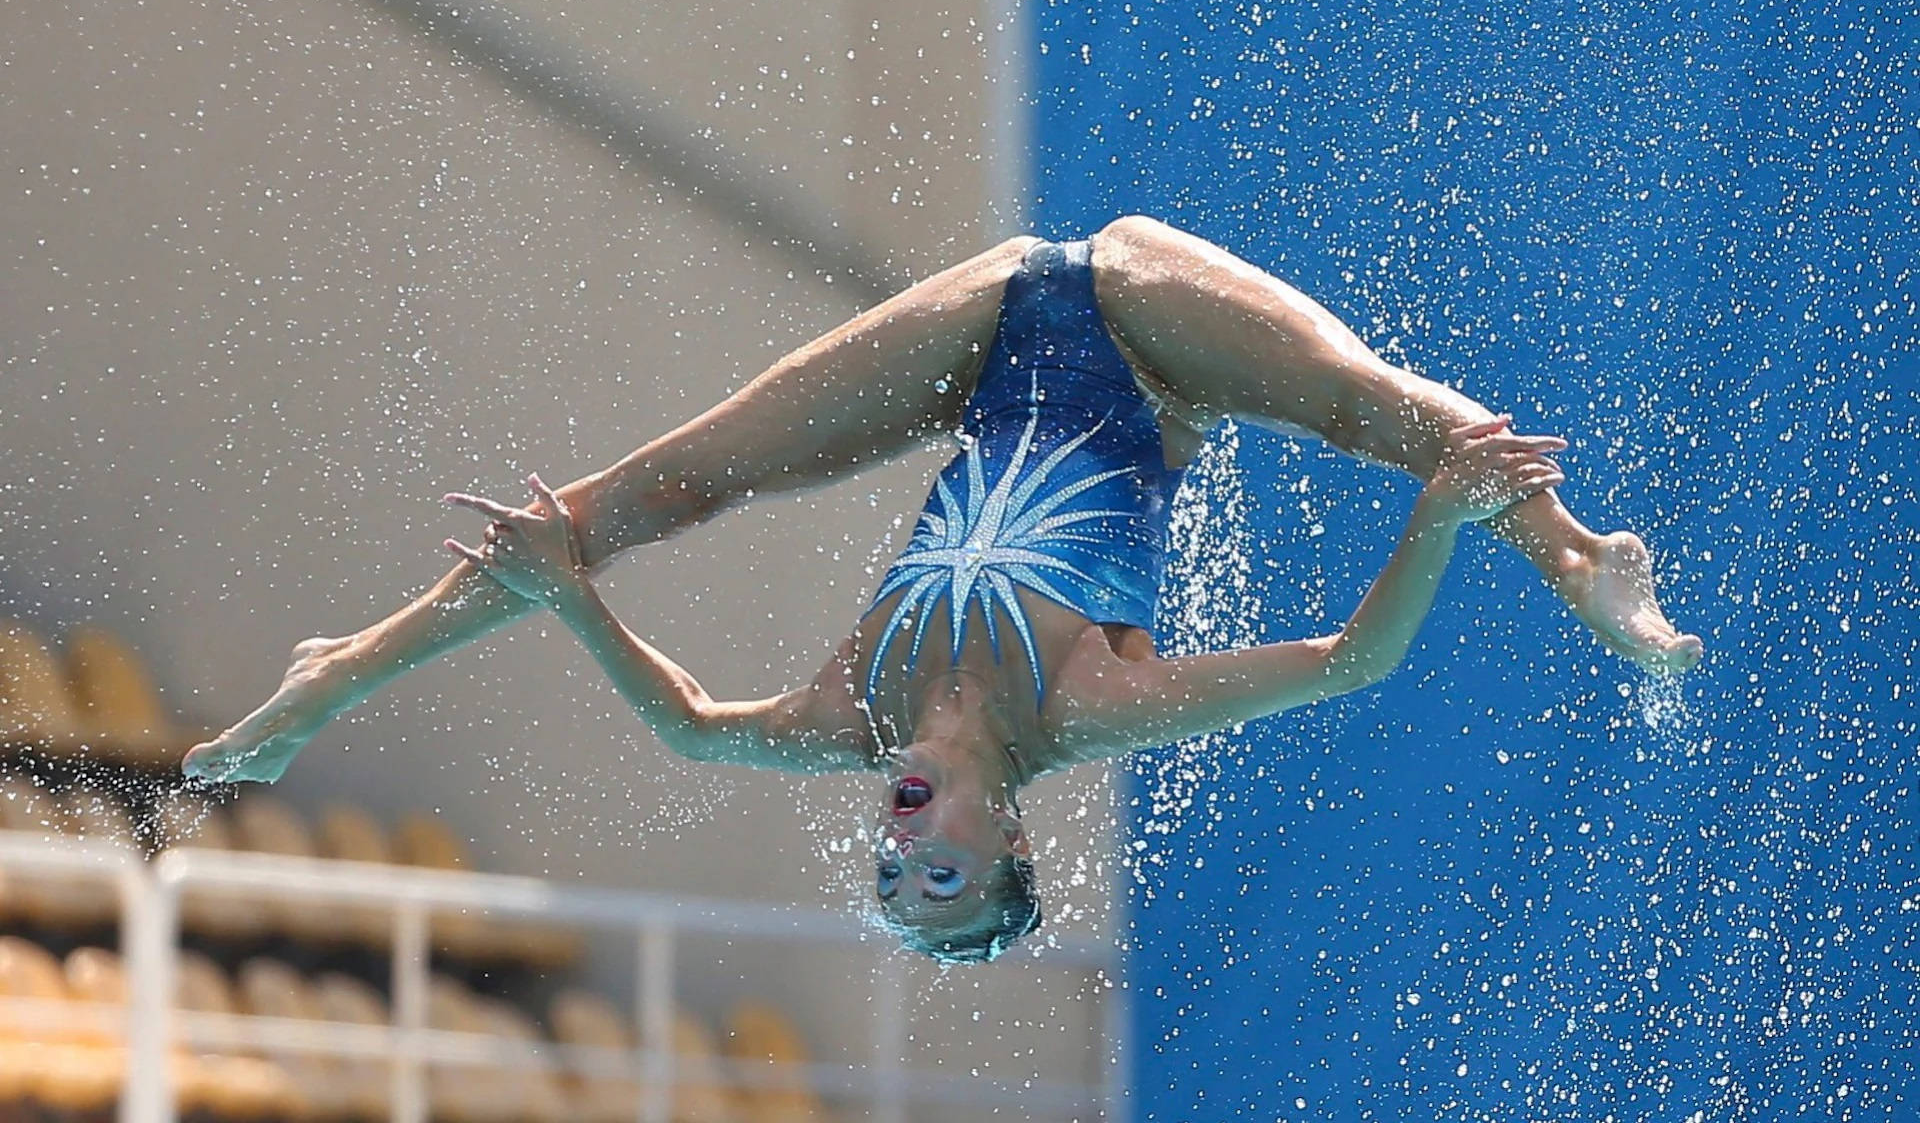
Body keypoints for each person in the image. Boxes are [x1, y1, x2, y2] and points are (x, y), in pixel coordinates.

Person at [182, 216, 1702, 962]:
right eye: (947, 881)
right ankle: (1582, 562)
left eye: (889, 884)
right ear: (1012, 840)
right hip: (1156, 336)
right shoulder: (1085, 708)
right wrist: (1434, 529)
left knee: (636, 501)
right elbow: (1352, 665)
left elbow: (701, 728)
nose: (905, 859)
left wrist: (571, 600)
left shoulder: (851, 718)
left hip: (982, 340)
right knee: (1390, 419)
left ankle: (339, 668)